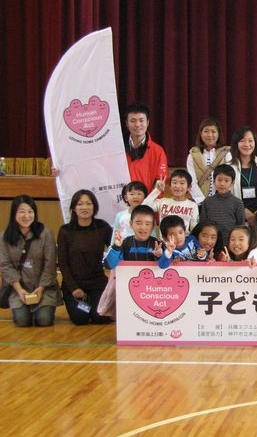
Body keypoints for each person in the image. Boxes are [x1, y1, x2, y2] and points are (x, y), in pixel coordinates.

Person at [1, 195, 58, 327]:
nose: (26, 216)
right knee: (22, 321)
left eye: (30, 211)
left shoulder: (46, 234)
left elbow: (50, 265)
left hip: (43, 286)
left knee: (43, 320)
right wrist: (20, 290)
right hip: (18, 287)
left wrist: (41, 289)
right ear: (14, 214)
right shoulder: (5, 237)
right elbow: (5, 265)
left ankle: (46, 308)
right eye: (22, 212)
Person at [57, 190, 113, 325]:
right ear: (73, 208)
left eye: (88, 203)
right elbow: (63, 263)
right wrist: (73, 287)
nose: (84, 207)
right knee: (80, 318)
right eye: (80, 204)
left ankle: (93, 306)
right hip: (74, 285)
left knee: (100, 318)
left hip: (97, 283)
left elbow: (115, 249)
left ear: (94, 207)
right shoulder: (65, 231)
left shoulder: (103, 227)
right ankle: (86, 307)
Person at [197, 164, 246, 246]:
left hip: (230, 243)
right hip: (211, 243)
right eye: (219, 180)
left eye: (226, 181)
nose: (222, 184)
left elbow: (240, 227)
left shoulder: (237, 203)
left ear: (232, 183)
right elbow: (203, 224)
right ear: (214, 181)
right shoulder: (207, 201)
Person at [123, 102, 168, 188]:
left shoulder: (158, 151)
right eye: (133, 121)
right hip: (122, 196)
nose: (137, 124)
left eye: (141, 120)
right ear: (127, 124)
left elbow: (160, 179)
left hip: (148, 196)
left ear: (147, 122)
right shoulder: (118, 149)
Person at [187, 117, 230, 203]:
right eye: (206, 131)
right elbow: (192, 181)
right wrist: (202, 200)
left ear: (218, 134)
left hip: (222, 201)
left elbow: (229, 179)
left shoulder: (226, 153)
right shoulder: (193, 155)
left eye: (213, 131)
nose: (210, 135)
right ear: (201, 133)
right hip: (199, 202)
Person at [144, 168, 199, 235]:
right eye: (174, 182)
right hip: (163, 241)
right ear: (170, 186)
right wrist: (157, 190)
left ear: (189, 187)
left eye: (182, 183)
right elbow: (144, 206)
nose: (178, 186)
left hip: (183, 241)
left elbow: (195, 229)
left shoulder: (193, 205)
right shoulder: (163, 202)